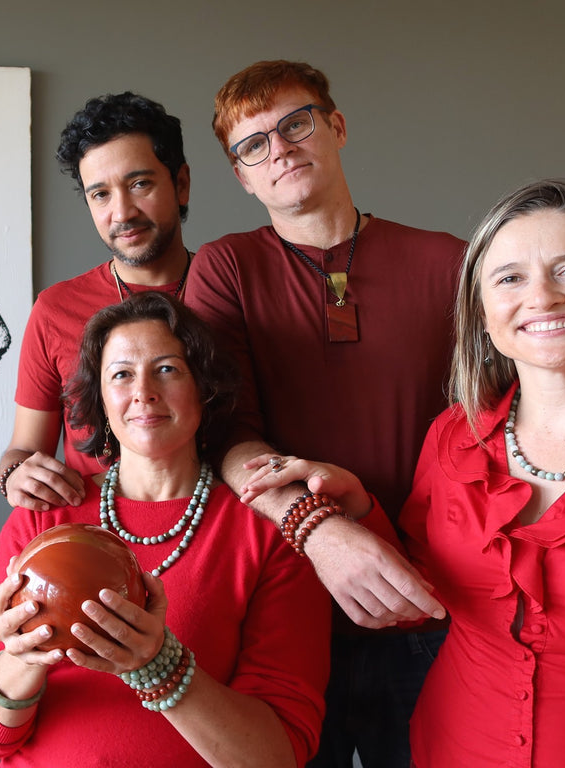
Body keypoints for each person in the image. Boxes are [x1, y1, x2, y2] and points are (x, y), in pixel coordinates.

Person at [278, 178, 565, 766]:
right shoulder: (453, 435)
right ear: (483, 310)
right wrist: (360, 511)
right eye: (510, 277)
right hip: (451, 748)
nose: (542, 296)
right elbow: (429, 590)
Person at [184, 60, 464, 767]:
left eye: (295, 123)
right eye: (253, 145)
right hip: (288, 608)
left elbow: (494, 426)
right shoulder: (226, 268)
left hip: (436, 602)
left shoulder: (450, 262)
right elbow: (224, 435)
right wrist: (318, 532)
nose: (278, 148)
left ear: (335, 128)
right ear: (243, 176)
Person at [0, 292, 331, 766]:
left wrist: (158, 666)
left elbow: (278, 755)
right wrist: (21, 658)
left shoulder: (264, 532)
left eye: (167, 369)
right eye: (121, 374)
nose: (143, 392)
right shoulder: (41, 518)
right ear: (101, 400)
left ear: (206, 388)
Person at [0, 92, 193, 513]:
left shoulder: (229, 291)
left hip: (225, 541)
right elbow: (24, 450)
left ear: (180, 184)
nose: (122, 212)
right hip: (94, 545)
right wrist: (15, 476)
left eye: (140, 184)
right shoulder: (54, 310)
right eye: (100, 194)